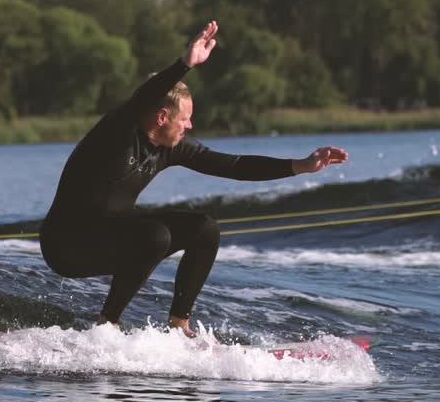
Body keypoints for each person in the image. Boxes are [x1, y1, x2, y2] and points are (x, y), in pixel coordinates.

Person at [39, 20, 348, 336]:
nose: (189, 126)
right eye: (184, 119)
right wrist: (184, 64)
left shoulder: (170, 148)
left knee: (204, 228)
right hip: (67, 246)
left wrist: (300, 165)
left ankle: (178, 327)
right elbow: (140, 101)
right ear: (162, 117)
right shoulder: (115, 133)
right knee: (155, 235)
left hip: (111, 237)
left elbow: (235, 165)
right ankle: (107, 325)